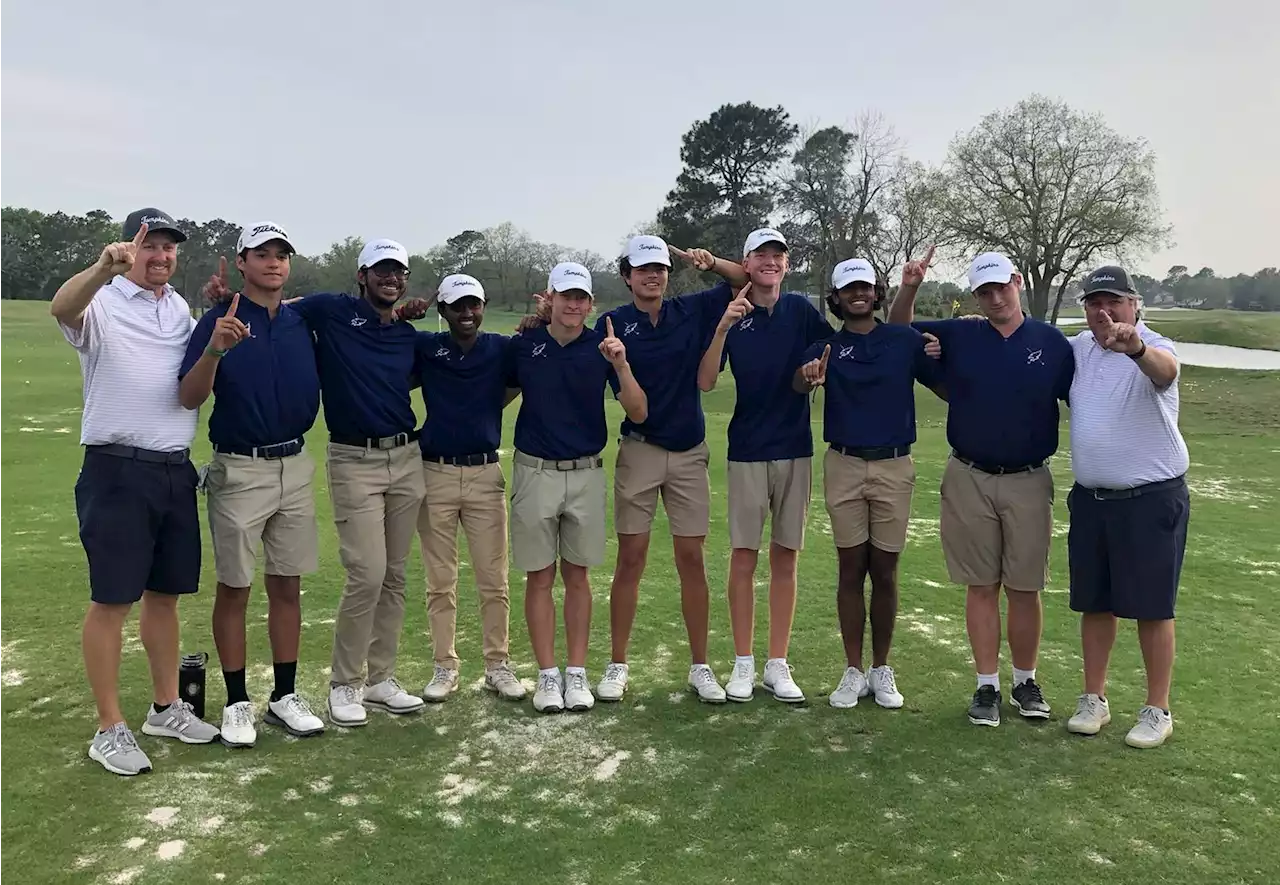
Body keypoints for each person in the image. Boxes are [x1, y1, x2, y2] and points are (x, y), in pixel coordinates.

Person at [51, 208, 219, 776]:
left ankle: (166, 707)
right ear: (131, 247)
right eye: (152, 246)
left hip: (173, 471)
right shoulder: (101, 302)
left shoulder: (177, 309)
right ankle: (108, 727)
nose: (162, 256)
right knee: (111, 601)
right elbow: (62, 308)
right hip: (116, 470)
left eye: (170, 248)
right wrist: (102, 267)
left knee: (165, 596)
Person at [889, 251, 1073, 727]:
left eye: (1001, 288)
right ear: (975, 296)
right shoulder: (962, 334)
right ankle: (986, 685)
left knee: (1026, 586)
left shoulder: (1052, 343)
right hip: (969, 475)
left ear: (1017, 282)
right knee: (981, 586)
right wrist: (909, 286)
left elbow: (1084, 396)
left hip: (1029, 479)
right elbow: (898, 330)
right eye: (984, 292)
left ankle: (1025, 681)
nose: (995, 298)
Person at [178, 222, 326, 746]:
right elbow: (189, 397)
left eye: (281, 255)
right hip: (239, 468)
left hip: (294, 465)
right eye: (261, 254)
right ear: (240, 263)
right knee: (235, 587)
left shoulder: (299, 320)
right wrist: (216, 349)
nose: (273, 263)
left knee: (288, 584)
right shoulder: (219, 320)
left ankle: (284, 695)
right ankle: (237, 702)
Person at [288, 239, 428, 726]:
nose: (391, 278)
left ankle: (380, 680)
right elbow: (277, 310)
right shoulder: (331, 311)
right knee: (366, 573)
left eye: (399, 271)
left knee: (394, 575)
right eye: (382, 271)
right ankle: (344, 684)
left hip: (407, 458)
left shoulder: (407, 333)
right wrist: (226, 300)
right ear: (362, 275)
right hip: (354, 458)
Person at [796, 256, 944, 710]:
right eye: (848, 289)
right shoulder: (825, 346)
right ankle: (853, 670)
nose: (858, 294)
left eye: (865, 287)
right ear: (836, 298)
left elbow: (944, 376)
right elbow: (801, 383)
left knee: (885, 570)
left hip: (894, 467)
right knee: (850, 568)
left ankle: (882, 668)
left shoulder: (901, 339)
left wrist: (943, 341)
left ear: (877, 293)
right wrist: (807, 378)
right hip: (843, 465)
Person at [591, 235, 735, 704]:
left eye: (659, 268)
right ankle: (618, 664)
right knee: (630, 558)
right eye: (642, 269)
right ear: (627, 276)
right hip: (640, 450)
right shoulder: (612, 325)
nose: (653, 275)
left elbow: (747, 279)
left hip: (689, 452)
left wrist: (711, 262)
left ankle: (700, 666)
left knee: (691, 559)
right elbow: (632, 409)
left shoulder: (690, 311)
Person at [691, 229, 832, 704]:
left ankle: (777, 663)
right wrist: (723, 327)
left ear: (786, 266)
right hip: (747, 450)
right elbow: (707, 382)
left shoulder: (801, 312)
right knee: (744, 556)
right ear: (746, 264)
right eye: (760, 256)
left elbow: (824, 359)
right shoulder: (734, 309)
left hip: (796, 448)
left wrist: (815, 373)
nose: (770, 262)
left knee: (786, 555)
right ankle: (744, 663)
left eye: (778, 255)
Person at [506, 262, 647, 713]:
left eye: (580, 298)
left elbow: (639, 411)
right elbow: (499, 394)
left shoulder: (601, 349)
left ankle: (576, 673)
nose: (573, 304)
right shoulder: (524, 346)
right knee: (539, 576)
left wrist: (621, 365)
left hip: (586, 473)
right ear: (550, 299)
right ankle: (548, 677)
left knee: (578, 576)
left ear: (590, 303)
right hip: (535, 472)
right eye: (565, 296)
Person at [1062, 266, 1188, 749]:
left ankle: (1158, 709)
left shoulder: (1155, 345)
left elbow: (1165, 371)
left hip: (1151, 498)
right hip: (1093, 501)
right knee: (1096, 603)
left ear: (1134, 304)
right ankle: (1094, 698)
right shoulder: (1079, 349)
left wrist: (1133, 347)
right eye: (1094, 302)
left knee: (1153, 607)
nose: (1103, 311)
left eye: (1113, 301)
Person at [414, 274, 526, 704]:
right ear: (442, 311)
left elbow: (516, 380)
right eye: (458, 306)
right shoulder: (427, 348)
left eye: (474, 305)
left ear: (483, 306)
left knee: (493, 579)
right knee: (440, 581)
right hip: (435, 473)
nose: (467, 313)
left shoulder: (500, 347)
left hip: (484, 475)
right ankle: (445, 666)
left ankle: (497, 665)